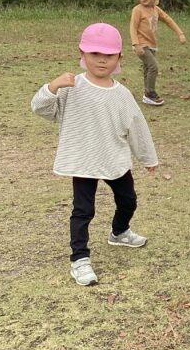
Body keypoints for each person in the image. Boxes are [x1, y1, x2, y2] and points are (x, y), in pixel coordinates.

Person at [31, 23, 158, 286]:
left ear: (119, 58)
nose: (102, 60)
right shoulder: (70, 87)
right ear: (82, 54)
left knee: (128, 201)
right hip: (83, 160)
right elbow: (40, 109)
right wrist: (52, 87)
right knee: (83, 211)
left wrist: (148, 159)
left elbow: (137, 128)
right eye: (95, 54)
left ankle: (119, 232)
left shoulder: (122, 95)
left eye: (109, 55)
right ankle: (79, 259)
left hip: (114, 159)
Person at [129, 0, 187, 106]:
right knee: (153, 67)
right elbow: (132, 27)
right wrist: (136, 44)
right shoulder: (137, 10)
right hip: (141, 45)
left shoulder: (156, 10)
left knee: (147, 69)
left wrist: (180, 33)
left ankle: (146, 95)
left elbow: (168, 20)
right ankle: (150, 93)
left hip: (152, 45)